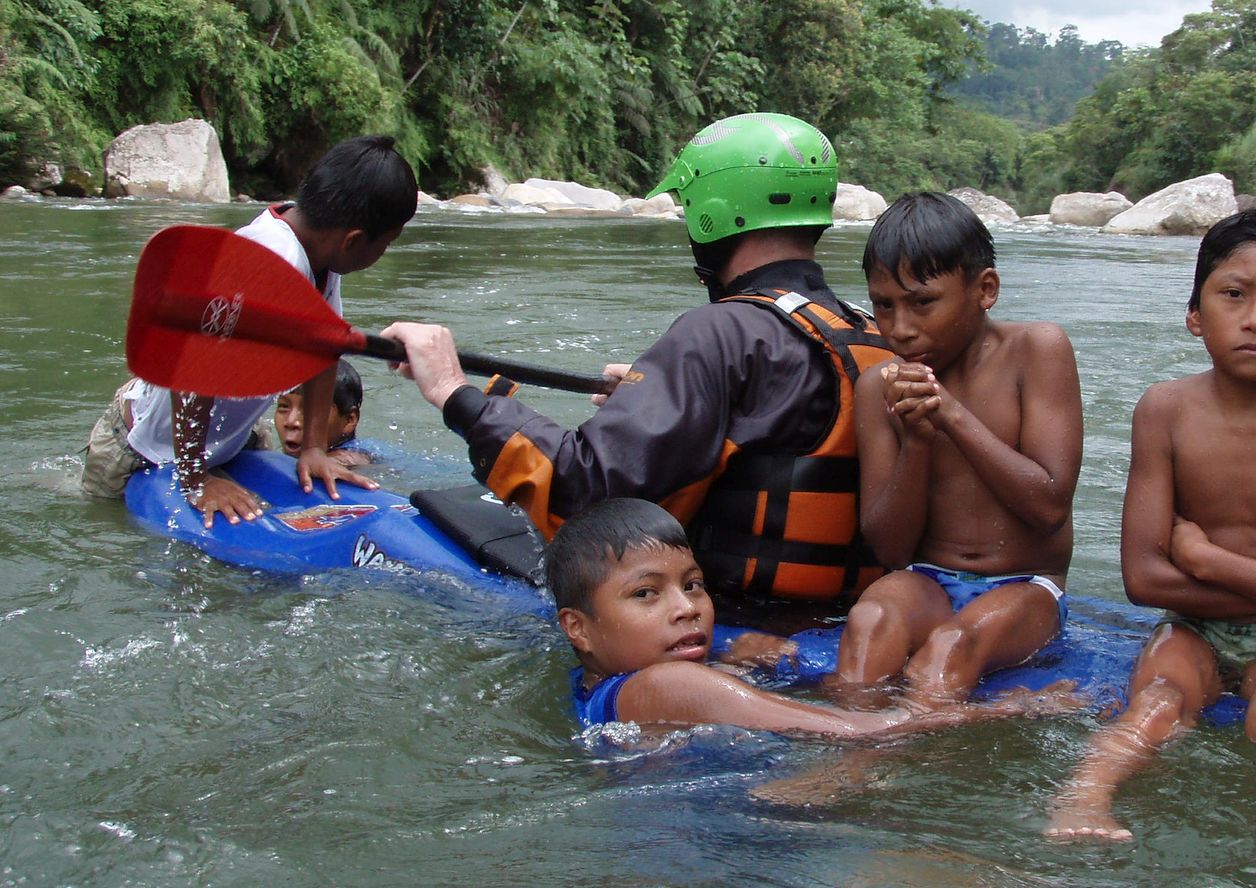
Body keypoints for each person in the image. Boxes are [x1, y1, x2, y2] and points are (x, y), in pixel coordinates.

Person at [382, 113, 894, 604]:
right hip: (839, 617)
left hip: (729, 617)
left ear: (711, 213)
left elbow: (584, 494)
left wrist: (455, 393)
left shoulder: (720, 332)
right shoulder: (868, 330)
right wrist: (658, 396)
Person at [1045, 209, 1256, 842]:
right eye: (1233, 295)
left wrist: (1205, 559)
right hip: (1195, 626)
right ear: (1195, 314)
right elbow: (1144, 579)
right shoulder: (1165, 410)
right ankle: (1081, 802)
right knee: (1157, 704)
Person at [80, 135, 417, 525]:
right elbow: (191, 366)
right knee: (103, 527)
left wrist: (313, 448)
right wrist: (194, 479)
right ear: (354, 240)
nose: (384, 252)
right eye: (388, 243)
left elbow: (324, 350)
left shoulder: (319, 251)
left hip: (227, 434)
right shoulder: (271, 261)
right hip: (144, 442)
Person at [828, 192, 1083, 708]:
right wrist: (917, 443)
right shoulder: (881, 387)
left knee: (951, 647)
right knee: (869, 621)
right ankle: (850, 754)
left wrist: (951, 416)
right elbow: (892, 551)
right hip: (927, 579)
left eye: (923, 302)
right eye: (883, 305)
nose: (900, 329)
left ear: (984, 289)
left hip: (1026, 584)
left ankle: (859, 763)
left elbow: (1049, 506)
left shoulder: (1036, 351)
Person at [548, 497, 1078, 735]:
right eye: (646, 595)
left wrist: (739, 663)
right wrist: (1015, 711)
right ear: (577, 627)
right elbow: (859, 730)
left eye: (693, 585)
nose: (686, 608)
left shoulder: (601, 690)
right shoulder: (665, 685)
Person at [275, 359, 372, 466]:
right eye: (284, 407)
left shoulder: (357, 455)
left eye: (308, 410)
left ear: (349, 420)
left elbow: (356, 458)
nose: (291, 422)